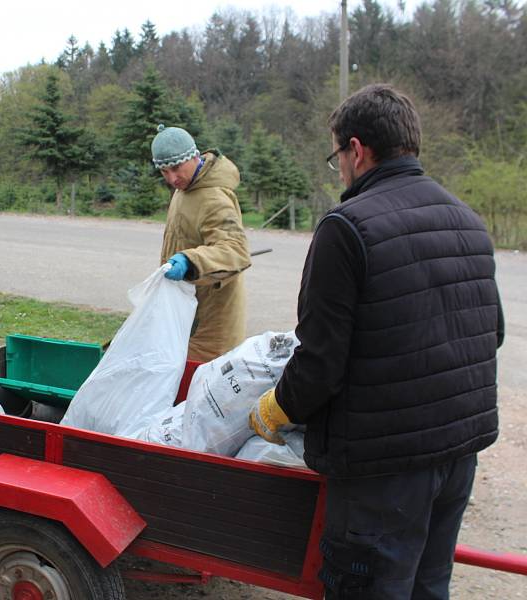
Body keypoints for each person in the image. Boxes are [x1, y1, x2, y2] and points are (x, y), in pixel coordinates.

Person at [249, 84, 505, 599]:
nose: (339, 169)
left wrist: (276, 408)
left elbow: (320, 363)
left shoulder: (346, 228)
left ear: (357, 150)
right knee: (428, 588)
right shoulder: (467, 221)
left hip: (381, 474)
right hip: (458, 457)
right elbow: (490, 332)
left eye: (337, 156)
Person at [152, 124, 251, 362]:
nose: (172, 178)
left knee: (200, 392)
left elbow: (235, 250)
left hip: (211, 326)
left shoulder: (214, 196)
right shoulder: (185, 188)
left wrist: (190, 260)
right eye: (164, 172)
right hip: (185, 312)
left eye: (176, 168)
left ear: (194, 157)